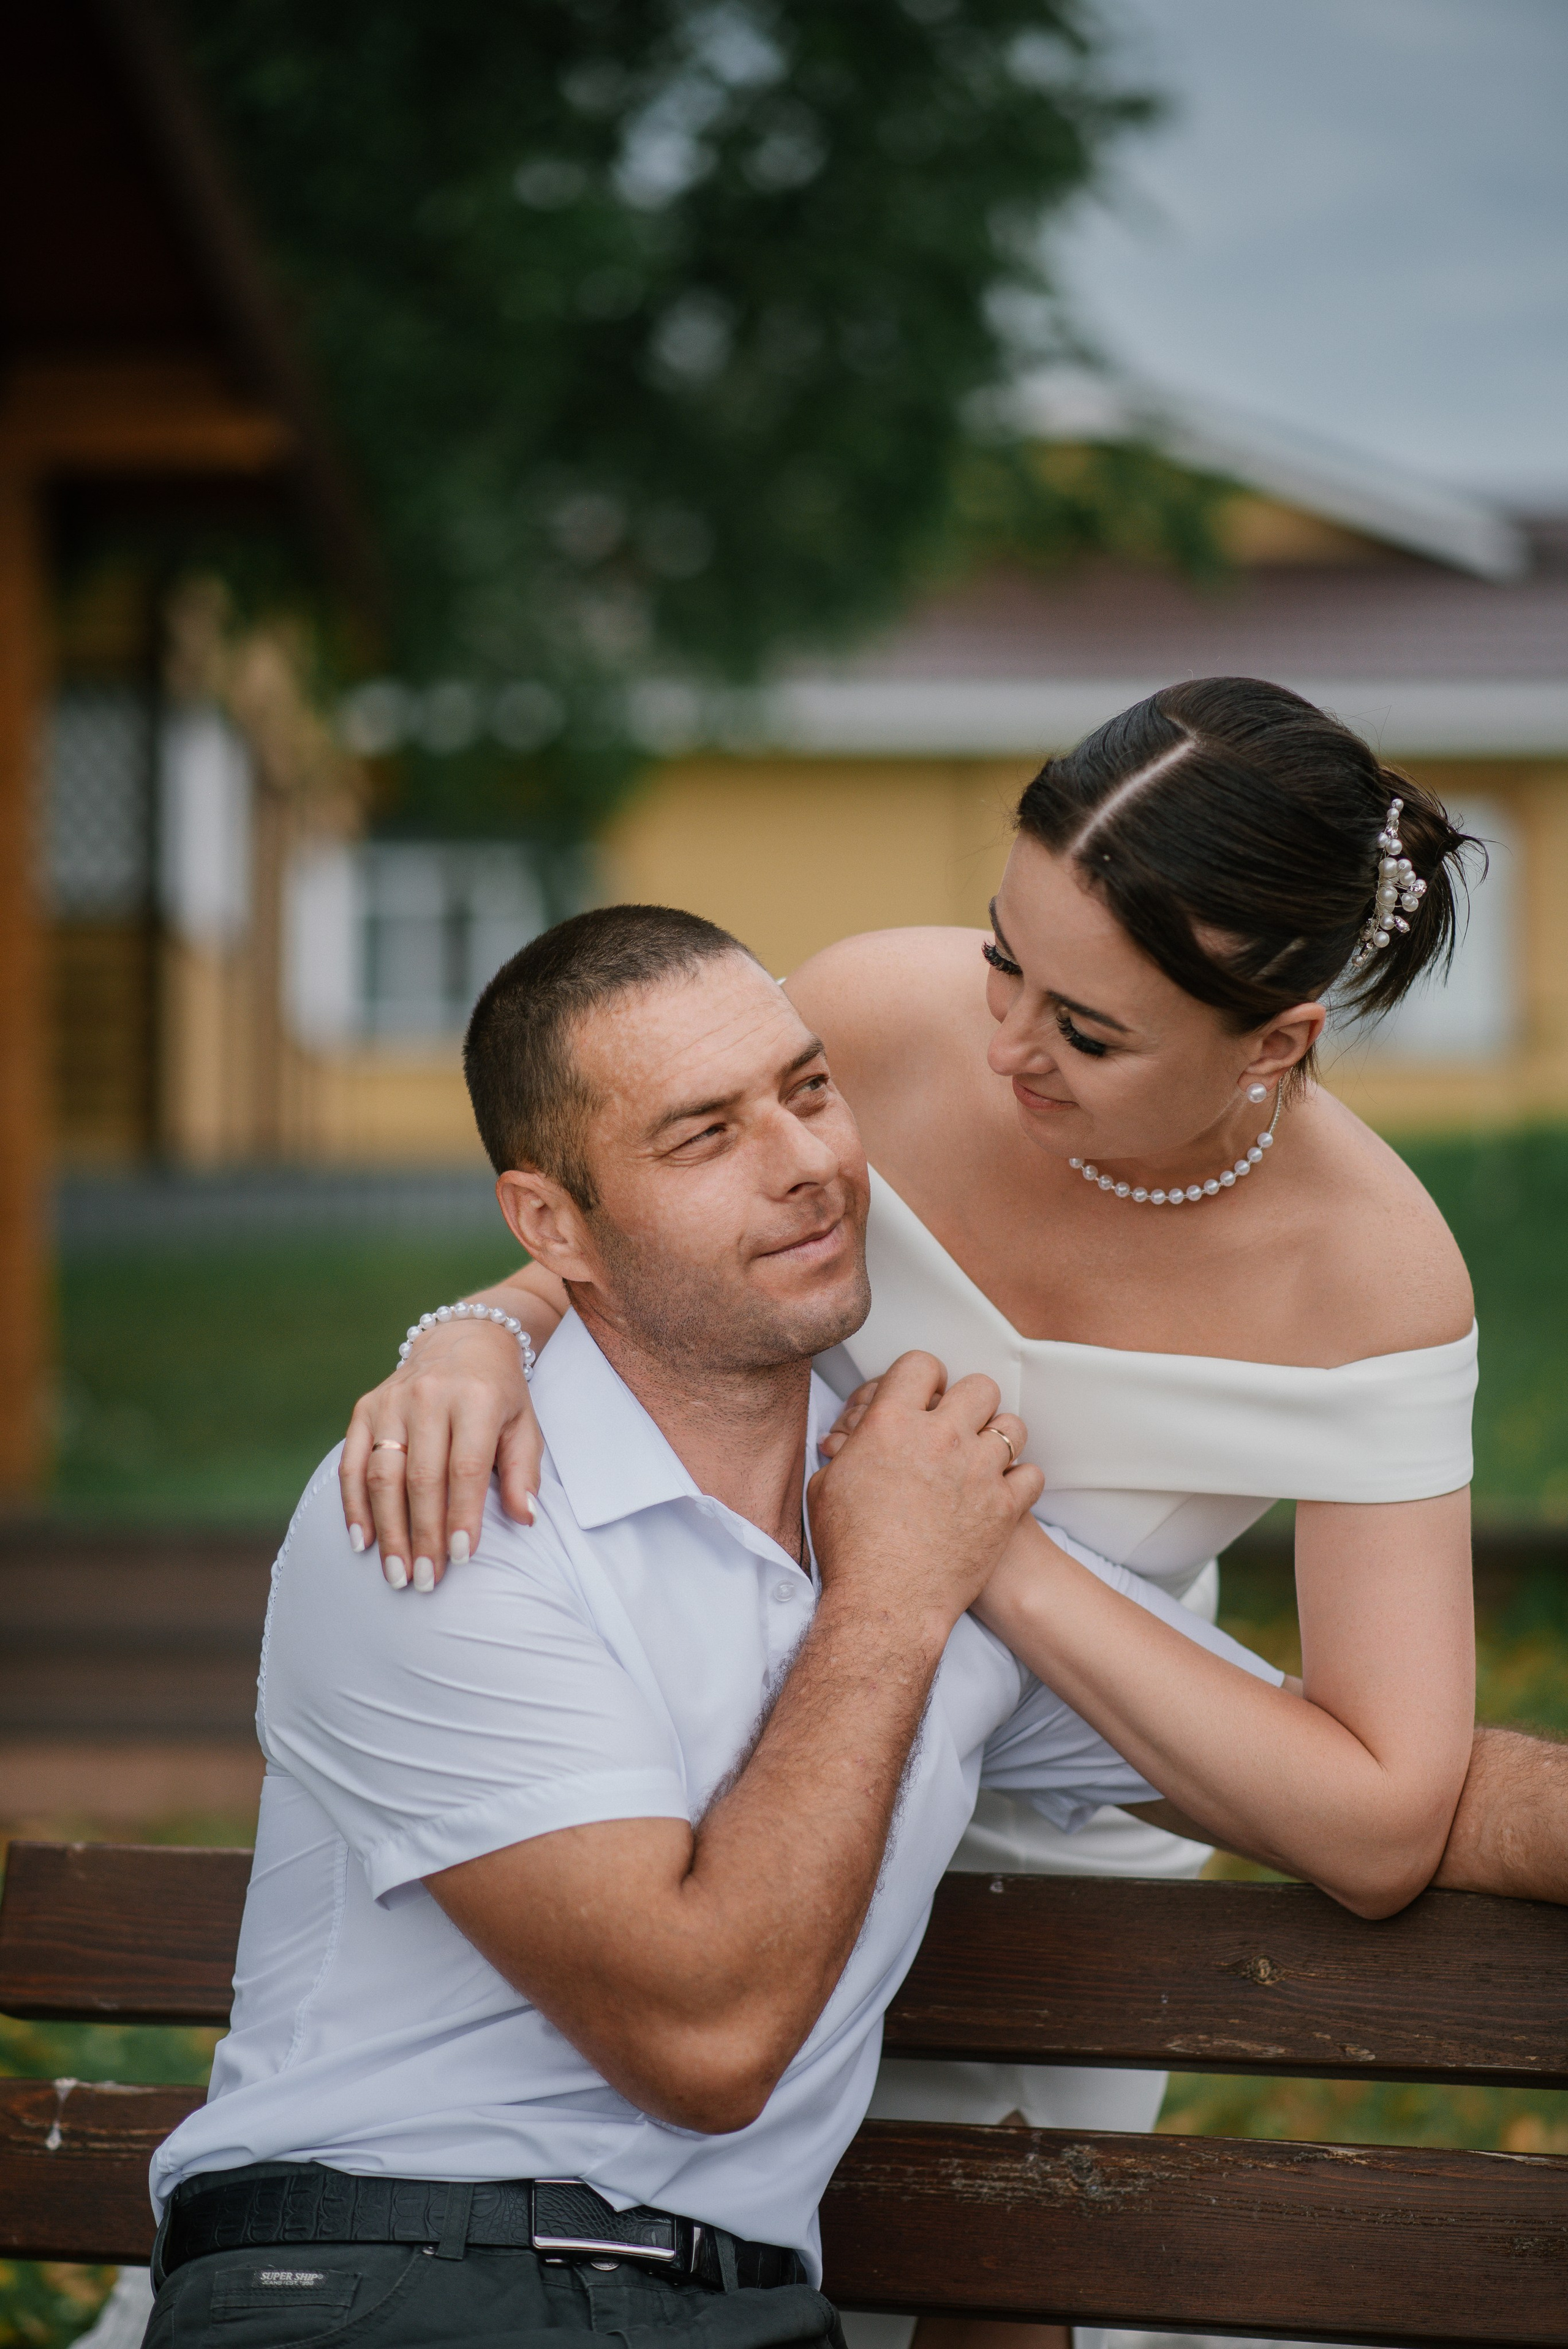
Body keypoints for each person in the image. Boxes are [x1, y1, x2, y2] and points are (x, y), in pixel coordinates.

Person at [336, 680, 1567, 2349]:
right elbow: (663, 1213)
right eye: (1007, 956)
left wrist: (985, 1557)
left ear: (1275, 1040)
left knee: (982, 2290)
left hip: (1063, 1810)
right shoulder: (880, 1008)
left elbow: (1377, 1811)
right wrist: (487, 1327)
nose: (1002, 1046)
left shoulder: (1374, 1275)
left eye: (1090, 1031)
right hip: (722, 1740)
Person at [146, 907, 1303, 2349]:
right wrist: (887, 1591)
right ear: (550, 1224)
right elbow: (701, 2043)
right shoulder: (441, 1498)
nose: (808, 1163)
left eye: (809, 1091)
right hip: (396, 2273)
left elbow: (1354, 1784)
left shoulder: (914, 1503)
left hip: (730, 2312)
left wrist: (923, 1560)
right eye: (704, 1135)